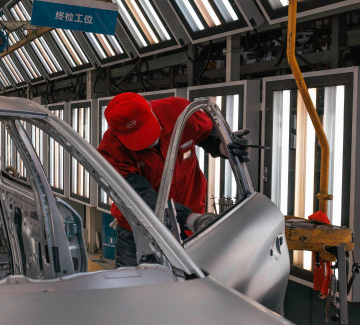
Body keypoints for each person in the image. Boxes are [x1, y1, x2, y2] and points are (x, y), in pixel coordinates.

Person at [99, 92, 248, 265]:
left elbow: (208, 133)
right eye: (137, 140)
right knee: (133, 287)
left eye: (147, 131)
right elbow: (140, 197)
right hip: (138, 229)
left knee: (191, 284)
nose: (149, 142)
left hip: (191, 220)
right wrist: (189, 219)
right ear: (117, 134)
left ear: (151, 110)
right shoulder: (111, 151)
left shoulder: (179, 113)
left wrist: (222, 146)